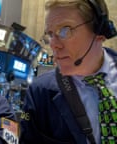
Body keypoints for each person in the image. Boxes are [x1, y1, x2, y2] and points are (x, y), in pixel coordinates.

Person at [20, 0, 117, 144]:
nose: (53, 45)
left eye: (65, 30)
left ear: (99, 30)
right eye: (50, 34)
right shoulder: (40, 92)